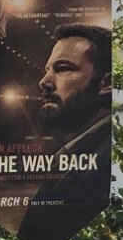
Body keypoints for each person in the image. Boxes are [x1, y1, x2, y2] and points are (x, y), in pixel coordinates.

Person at [33, 23, 114, 154]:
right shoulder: (76, 154)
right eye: (47, 71)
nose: (43, 82)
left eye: (63, 68)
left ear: (108, 83)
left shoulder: (108, 154)